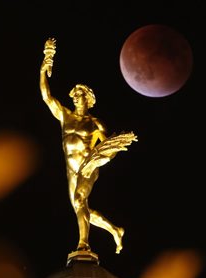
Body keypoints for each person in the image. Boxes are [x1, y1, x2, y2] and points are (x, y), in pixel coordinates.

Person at [40, 37, 137, 254]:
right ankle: (115, 230)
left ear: (88, 99)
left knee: (79, 199)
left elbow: (109, 150)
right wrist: (44, 65)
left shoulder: (95, 124)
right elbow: (47, 96)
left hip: (88, 167)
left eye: (80, 95)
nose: (76, 98)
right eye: (74, 96)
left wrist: (95, 162)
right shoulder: (65, 116)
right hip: (70, 169)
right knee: (81, 208)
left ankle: (83, 244)